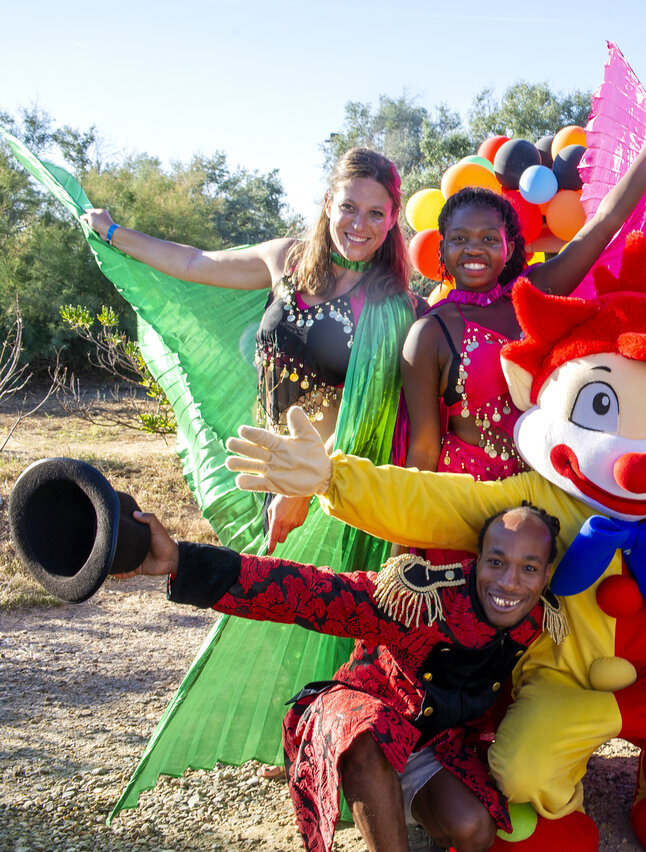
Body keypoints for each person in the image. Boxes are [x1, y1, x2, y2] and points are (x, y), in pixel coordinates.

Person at [81, 148, 422, 789]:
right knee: (268, 593)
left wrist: (308, 486)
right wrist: (112, 231)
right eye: (349, 206)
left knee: (312, 596)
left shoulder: (393, 304)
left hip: (326, 485)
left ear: (392, 220)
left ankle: (335, 740)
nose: (360, 222)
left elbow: (383, 410)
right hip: (259, 472)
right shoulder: (286, 260)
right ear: (328, 203)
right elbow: (194, 264)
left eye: (377, 212)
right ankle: (292, 731)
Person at [124, 502, 562, 852]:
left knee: (474, 830)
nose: (508, 583)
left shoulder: (537, 620)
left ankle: (396, 808)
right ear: (478, 560)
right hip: (354, 726)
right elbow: (306, 590)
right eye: (496, 561)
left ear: (545, 576)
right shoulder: (421, 598)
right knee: (370, 731)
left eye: (528, 568)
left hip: (427, 746)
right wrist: (183, 561)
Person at [397, 114, 646, 532]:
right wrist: (404, 550)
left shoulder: (533, 295)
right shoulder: (428, 333)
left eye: (489, 239)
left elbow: (601, 224)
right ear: (442, 249)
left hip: (543, 501)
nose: (474, 249)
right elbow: (421, 451)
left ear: (509, 245)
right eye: (460, 239)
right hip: (462, 511)